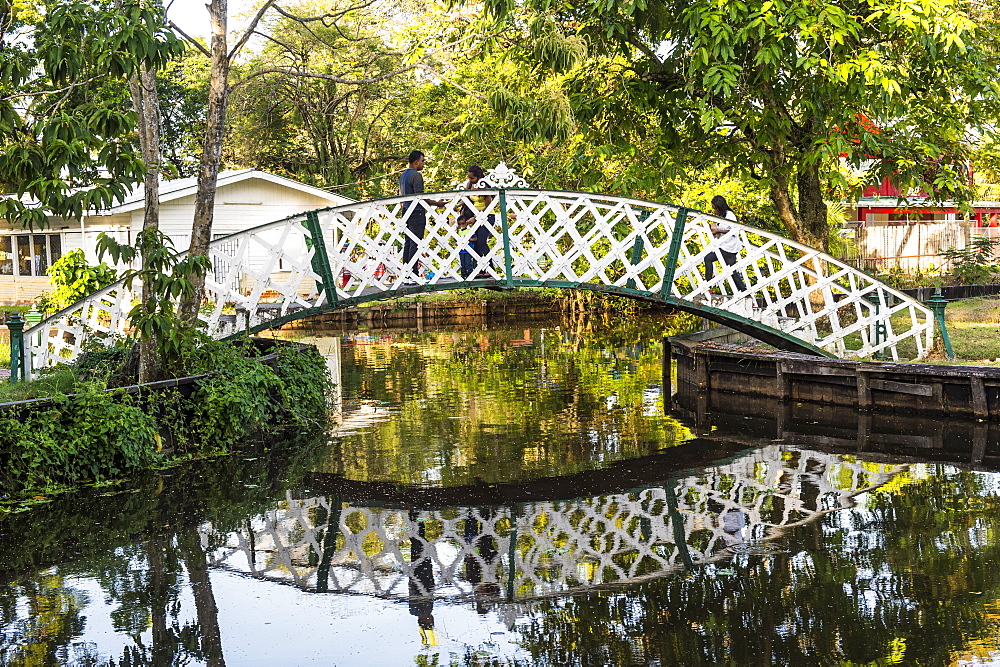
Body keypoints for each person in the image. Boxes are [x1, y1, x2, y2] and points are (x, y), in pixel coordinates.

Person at [399, 150, 446, 281]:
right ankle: (413, 273)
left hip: (406, 210)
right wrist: (437, 203)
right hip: (416, 212)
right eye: (422, 161)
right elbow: (420, 197)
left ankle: (406, 273)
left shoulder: (403, 175)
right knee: (415, 242)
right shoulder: (416, 175)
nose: (423, 164)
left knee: (408, 242)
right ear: (416, 162)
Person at [703, 195, 747, 293]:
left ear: (719, 207)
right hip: (727, 246)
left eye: (715, 208)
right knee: (732, 271)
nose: (714, 211)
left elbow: (733, 230)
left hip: (728, 247)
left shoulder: (729, 215)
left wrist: (718, 231)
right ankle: (744, 292)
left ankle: (708, 284)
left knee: (708, 258)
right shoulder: (724, 216)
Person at [463, 165, 495, 277]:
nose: (470, 180)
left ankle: (490, 269)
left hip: (487, 216)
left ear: (478, 177)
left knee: (482, 242)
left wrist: (475, 218)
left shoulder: (485, 188)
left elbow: (488, 208)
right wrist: (457, 205)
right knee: (476, 243)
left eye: (472, 178)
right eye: (469, 178)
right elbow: (467, 199)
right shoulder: (470, 185)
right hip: (476, 216)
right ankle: (480, 269)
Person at [456, 210, 477, 279]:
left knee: (468, 262)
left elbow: (475, 238)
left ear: (466, 224)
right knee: (462, 263)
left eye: (463, 224)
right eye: (459, 224)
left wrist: (470, 239)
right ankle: (463, 274)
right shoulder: (459, 232)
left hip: (468, 250)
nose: (461, 226)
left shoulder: (469, 231)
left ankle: (470, 273)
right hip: (461, 250)